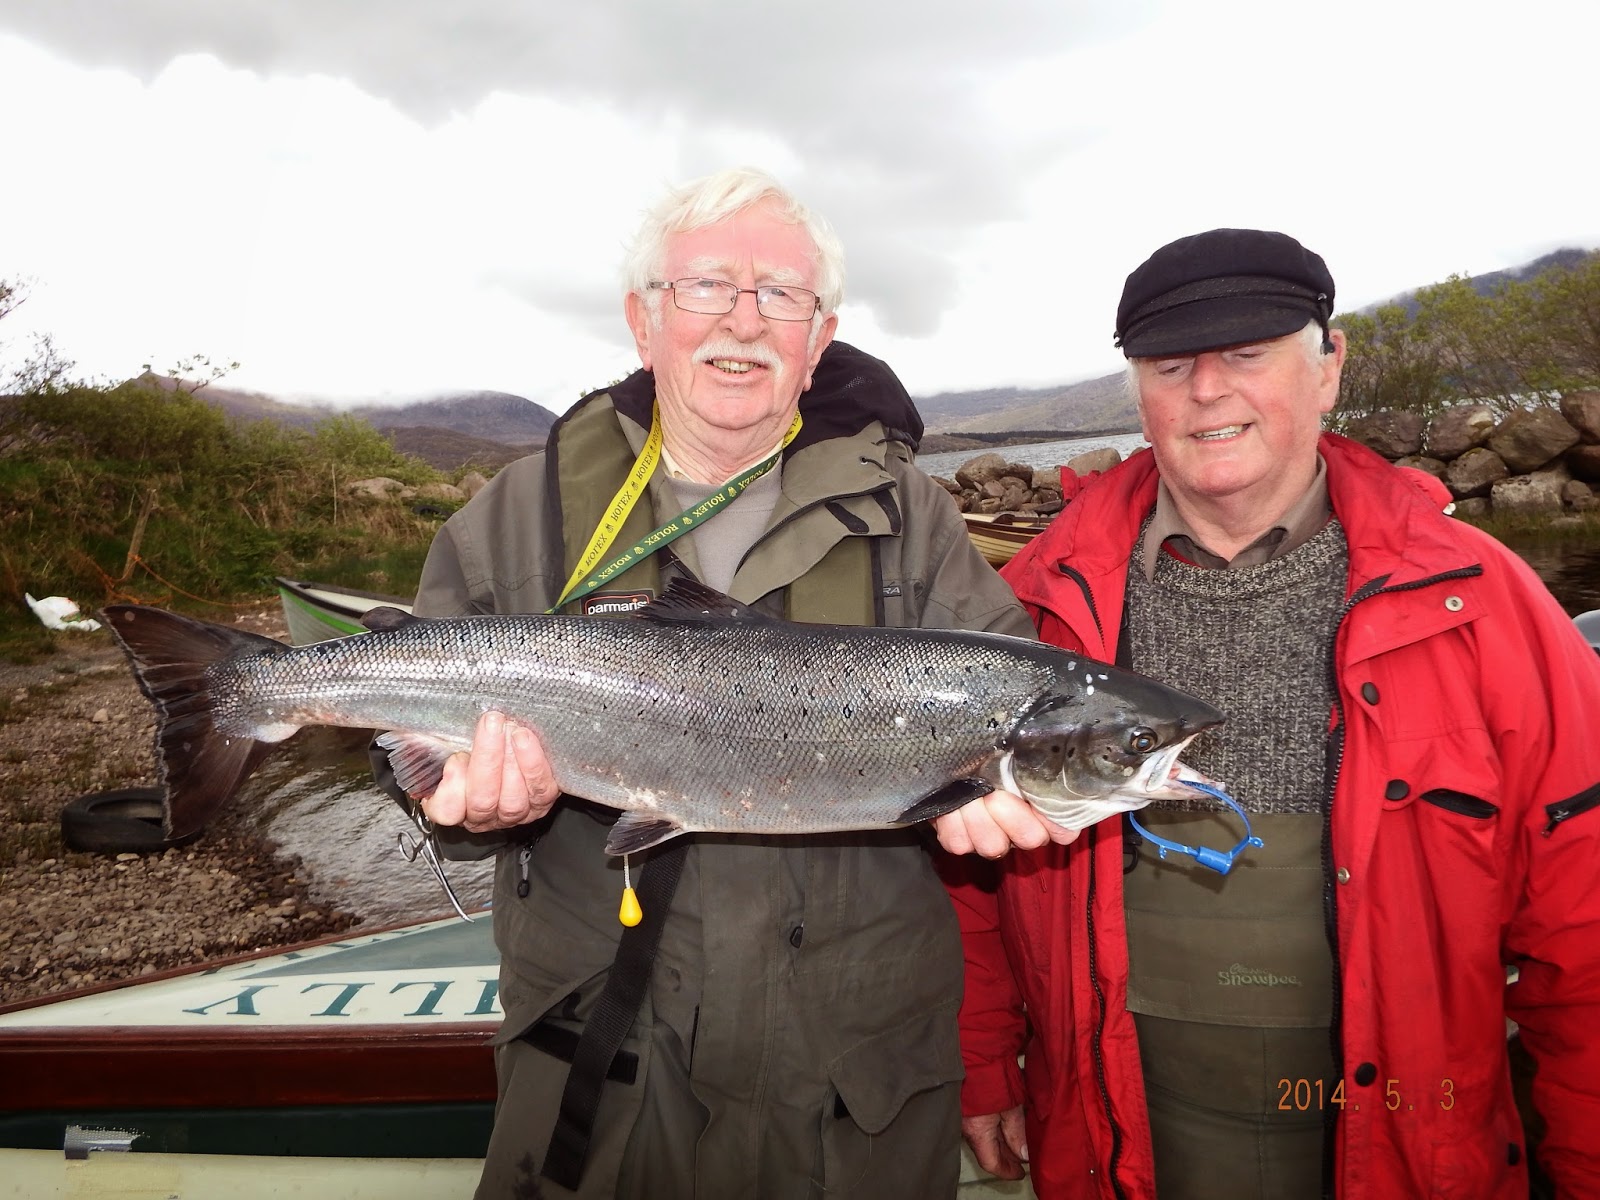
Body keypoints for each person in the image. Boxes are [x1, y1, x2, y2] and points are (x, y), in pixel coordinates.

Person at [381, 166, 1075, 1200]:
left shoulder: (914, 519)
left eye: (780, 294)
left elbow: (1016, 709)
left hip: (850, 1078)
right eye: (705, 285)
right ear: (643, 320)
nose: (742, 320)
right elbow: (409, 742)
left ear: (819, 339)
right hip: (602, 1065)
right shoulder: (518, 515)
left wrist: (1012, 803)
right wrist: (457, 802)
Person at [947, 228, 1600, 1199]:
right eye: (1171, 366)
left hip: (1410, 1147)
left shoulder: (1486, 605)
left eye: (1247, 354)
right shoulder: (1034, 606)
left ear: (1328, 368)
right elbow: (970, 880)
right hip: (1116, 1143)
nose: (1208, 390)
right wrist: (982, 1062)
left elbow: (1583, 925)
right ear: (1139, 393)